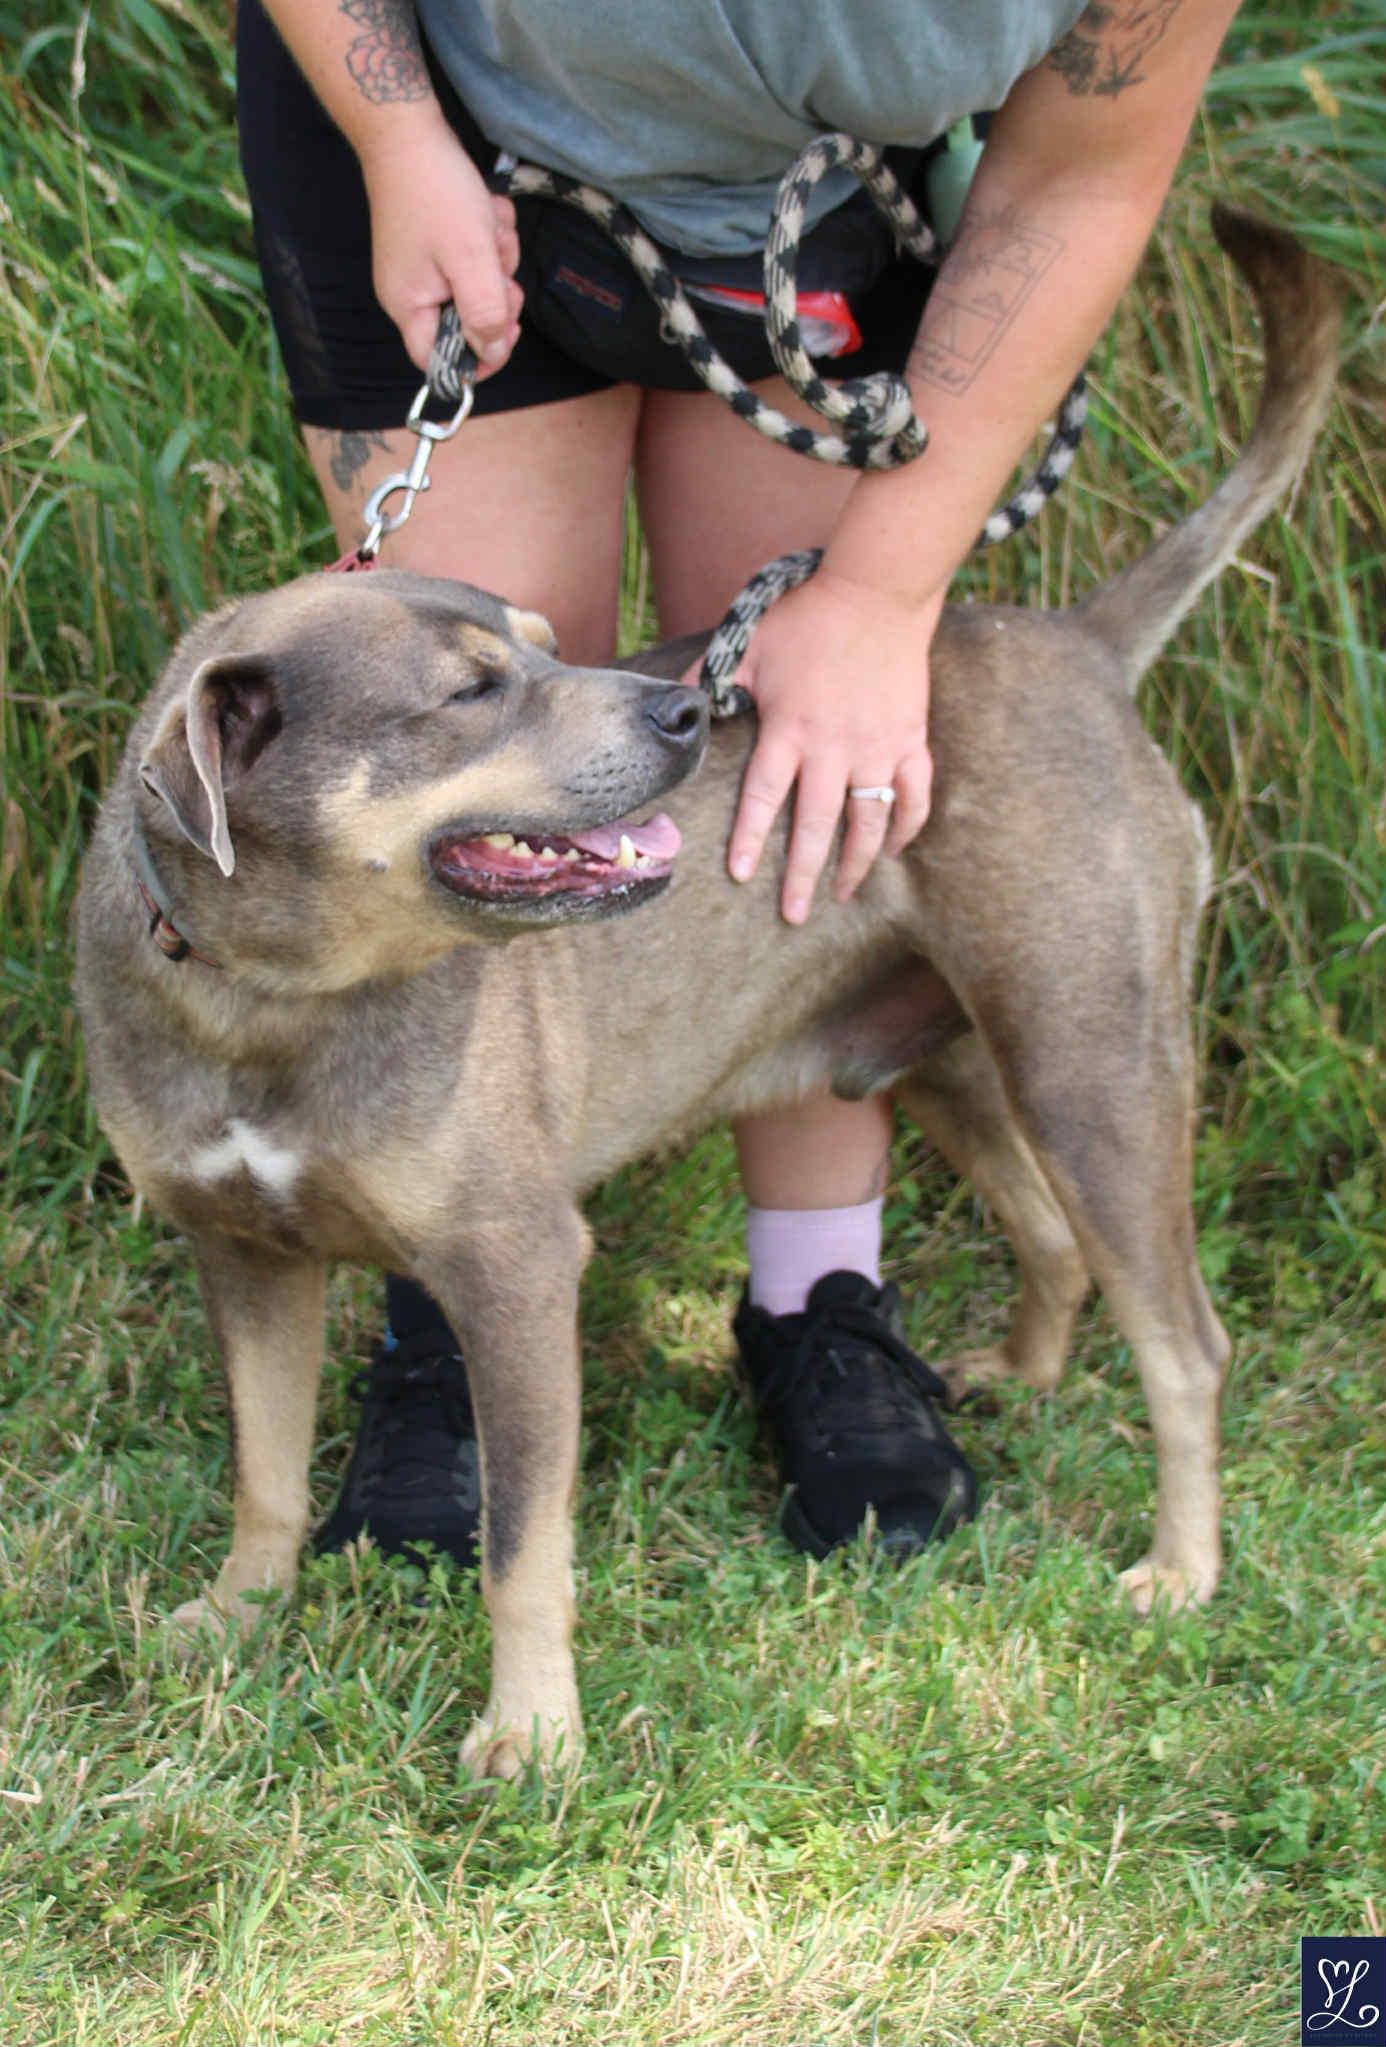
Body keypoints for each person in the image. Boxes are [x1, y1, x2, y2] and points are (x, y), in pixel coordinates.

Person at [236, 0, 1243, 1569]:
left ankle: (819, 1296)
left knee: (800, 787)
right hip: (445, 146)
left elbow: (1082, 174)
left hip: (802, 204)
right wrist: (395, 136)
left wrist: (882, 599)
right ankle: (437, 1316)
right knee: (465, 790)